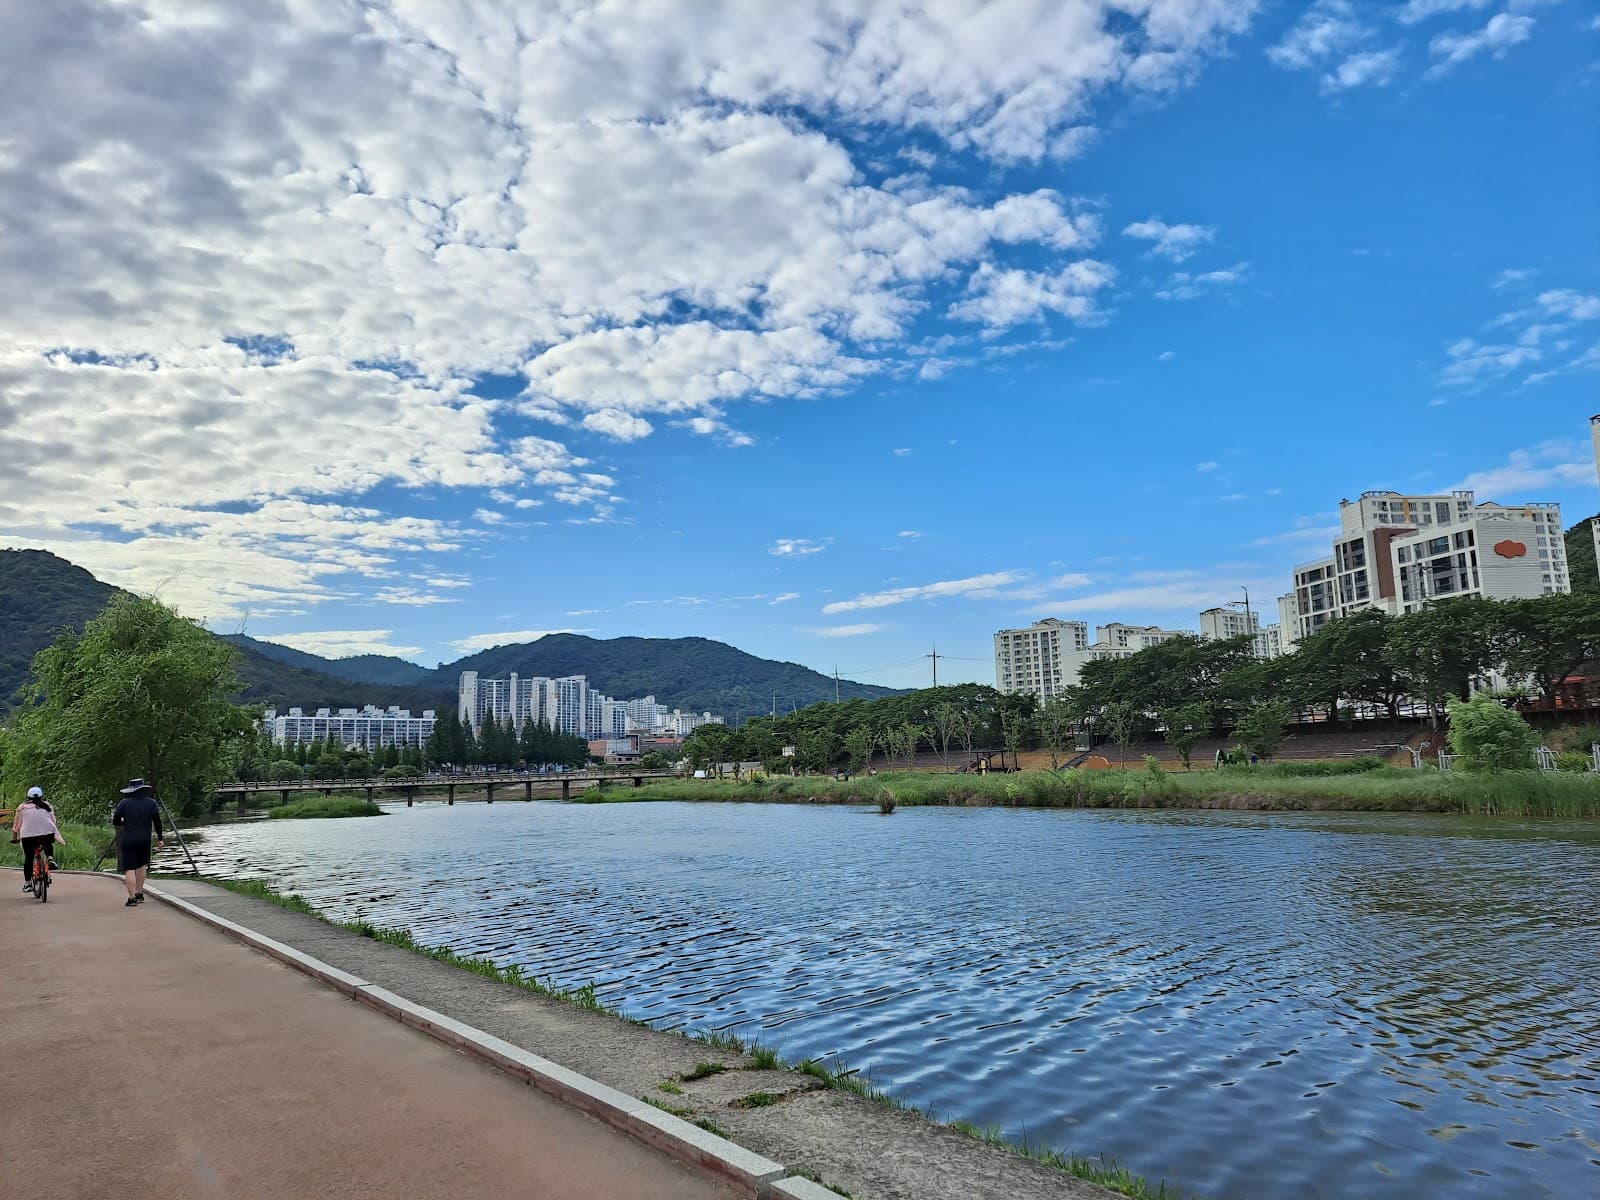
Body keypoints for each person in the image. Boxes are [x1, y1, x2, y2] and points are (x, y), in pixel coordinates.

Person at [112, 778, 165, 908]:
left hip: (128, 839)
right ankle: (139, 892)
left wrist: (125, 821)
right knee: (141, 866)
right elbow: (157, 822)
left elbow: (116, 822)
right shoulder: (151, 803)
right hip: (145, 839)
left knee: (129, 868)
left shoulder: (124, 803)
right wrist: (160, 838)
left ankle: (131, 898)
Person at [13, 786, 67, 895]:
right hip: (47, 833)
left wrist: (14, 838)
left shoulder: (22, 808)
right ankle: (50, 859)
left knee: (29, 858)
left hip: (28, 836)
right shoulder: (47, 806)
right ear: (42, 796)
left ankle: (28, 883)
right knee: (47, 841)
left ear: (28, 797)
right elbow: (53, 821)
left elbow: (16, 826)